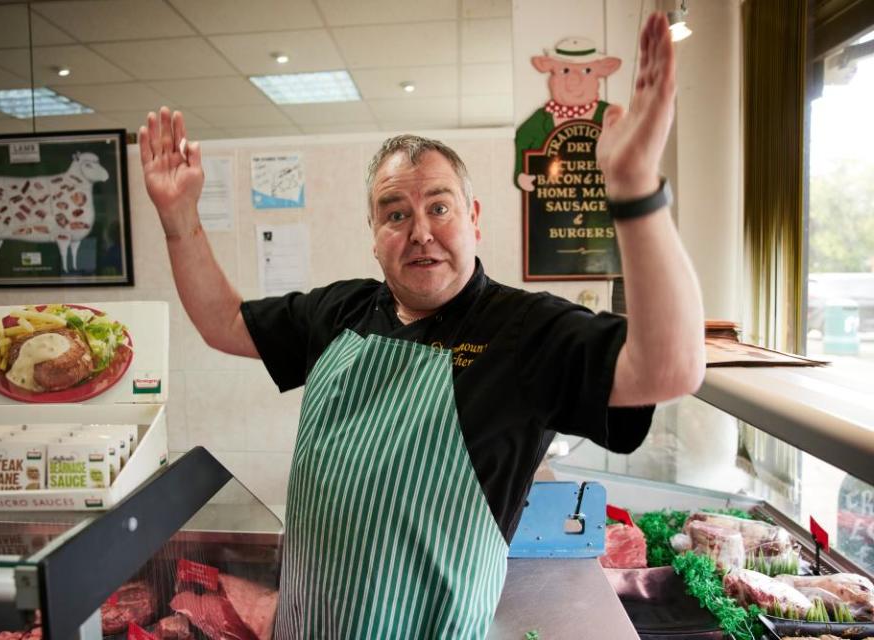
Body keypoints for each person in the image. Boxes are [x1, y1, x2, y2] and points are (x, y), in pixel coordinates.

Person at [139, 12, 704, 639]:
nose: (421, 231)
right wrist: (179, 218)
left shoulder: (524, 331)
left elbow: (670, 368)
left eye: (439, 206)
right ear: (374, 238)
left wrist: (634, 190)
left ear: (474, 218)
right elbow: (224, 323)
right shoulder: (342, 311)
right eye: (395, 213)